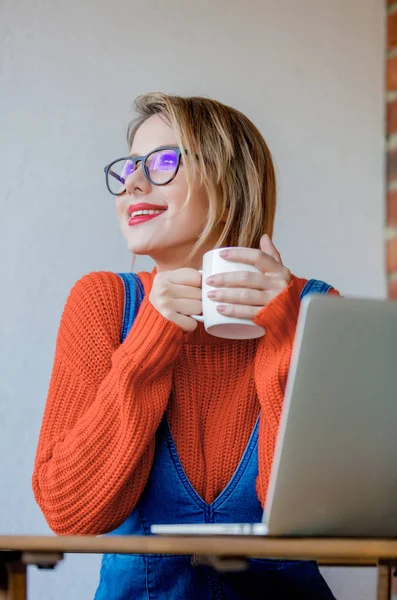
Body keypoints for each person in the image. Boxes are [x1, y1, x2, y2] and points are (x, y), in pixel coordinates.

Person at [32, 92, 339, 599]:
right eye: (129, 166)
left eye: (163, 162)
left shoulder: (314, 308)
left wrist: (285, 337)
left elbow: (321, 522)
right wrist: (150, 341)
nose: (132, 183)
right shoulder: (104, 302)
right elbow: (71, 512)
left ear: (229, 178)